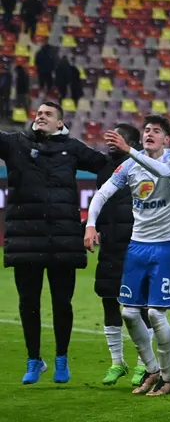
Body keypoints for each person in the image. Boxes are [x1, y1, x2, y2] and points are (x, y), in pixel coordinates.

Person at [3, 101, 109, 384]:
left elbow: (106, 166)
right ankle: (34, 360)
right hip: (26, 240)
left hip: (63, 239)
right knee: (28, 303)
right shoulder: (16, 143)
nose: (41, 116)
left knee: (62, 303)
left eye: (48, 114)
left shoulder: (72, 148)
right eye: (38, 113)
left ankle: (62, 357)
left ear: (60, 123)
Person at [85, 114, 170, 397]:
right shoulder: (129, 165)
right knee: (129, 312)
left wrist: (129, 150)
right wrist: (90, 224)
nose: (150, 133)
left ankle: (167, 378)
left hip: (165, 247)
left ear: (167, 139)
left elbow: (163, 173)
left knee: (154, 313)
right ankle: (152, 370)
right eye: (147, 130)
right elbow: (102, 194)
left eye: (157, 131)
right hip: (137, 247)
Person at [93, 124, 153, 387]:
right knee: (109, 301)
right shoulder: (103, 167)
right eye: (109, 137)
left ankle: (144, 364)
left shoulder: (145, 166)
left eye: (117, 137)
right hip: (109, 246)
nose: (111, 141)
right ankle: (117, 362)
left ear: (132, 142)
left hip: (137, 247)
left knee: (140, 307)